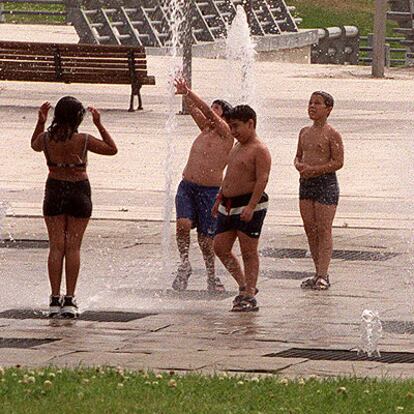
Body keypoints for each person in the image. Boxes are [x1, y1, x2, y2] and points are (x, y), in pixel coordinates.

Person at [31, 96, 118, 317]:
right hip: (79, 190)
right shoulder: (84, 140)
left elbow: (34, 145)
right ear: (78, 118)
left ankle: (53, 299)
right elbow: (111, 149)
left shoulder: (47, 139)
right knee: (73, 247)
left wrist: (41, 121)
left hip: (54, 189)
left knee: (56, 246)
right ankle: (69, 299)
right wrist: (99, 123)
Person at [172, 77, 234, 293]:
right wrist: (184, 94)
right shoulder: (205, 130)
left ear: (224, 116)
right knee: (182, 225)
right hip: (187, 186)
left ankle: (211, 276)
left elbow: (205, 111)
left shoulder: (226, 134)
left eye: (217, 109)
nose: (211, 112)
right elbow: (194, 109)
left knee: (206, 241)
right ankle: (184, 264)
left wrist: (190, 92)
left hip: (209, 191)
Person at [213, 105, 271, 312]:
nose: (233, 131)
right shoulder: (237, 146)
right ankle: (244, 285)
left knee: (248, 251)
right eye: (230, 127)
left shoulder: (259, 149)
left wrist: (251, 206)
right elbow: (229, 176)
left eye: (236, 126)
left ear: (251, 124)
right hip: (228, 204)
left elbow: (262, 179)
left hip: (249, 204)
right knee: (220, 247)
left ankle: (250, 294)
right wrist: (219, 198)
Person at [294, 91, 344, 290]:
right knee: (310, 229)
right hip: (306, 183)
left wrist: (315, 169)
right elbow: (298, 155)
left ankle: (323, 274)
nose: (312, 107)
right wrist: (298, 164)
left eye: (317, 103)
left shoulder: (332, 134)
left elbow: (338, 162)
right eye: (310, 103)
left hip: (326, 184)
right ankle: (317, 272)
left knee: (324, 229)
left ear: (328, 109)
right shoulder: (304, 132)